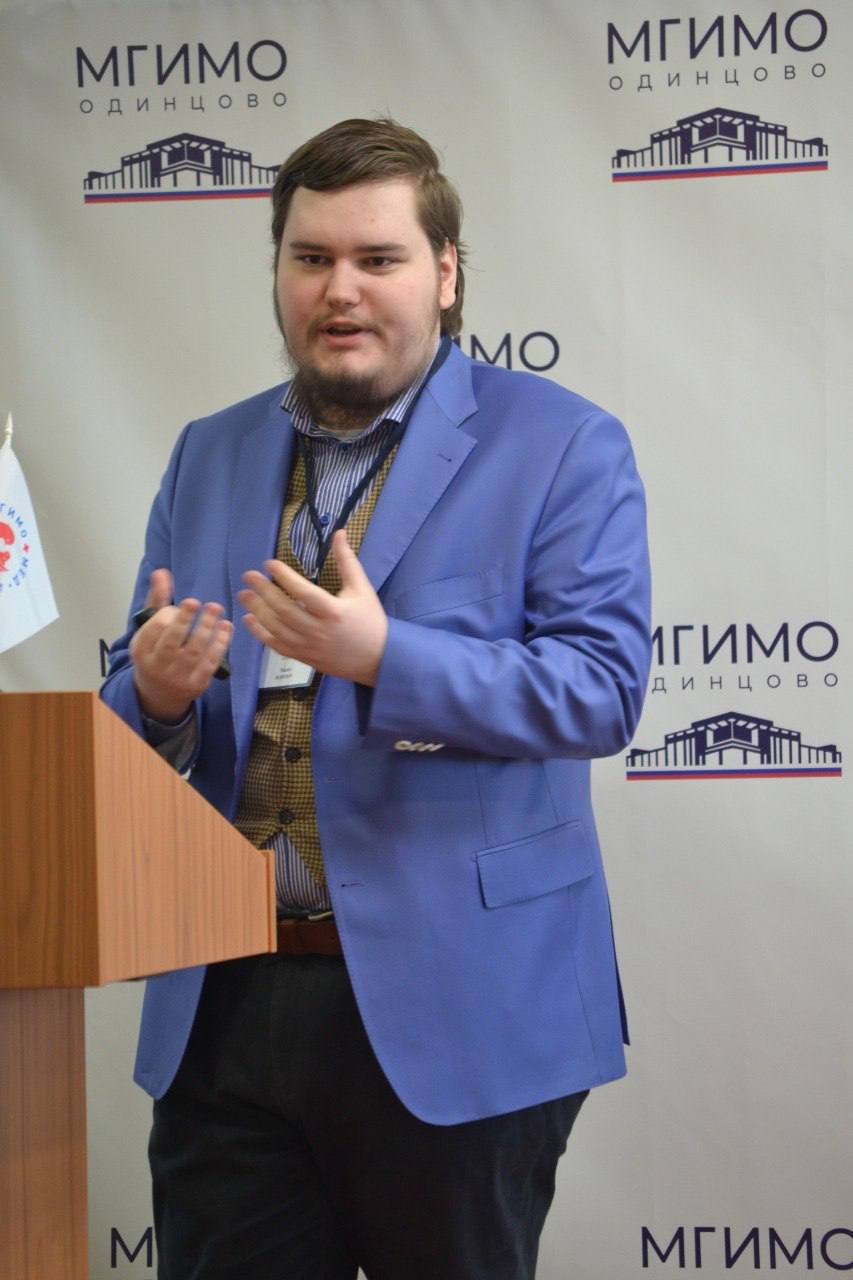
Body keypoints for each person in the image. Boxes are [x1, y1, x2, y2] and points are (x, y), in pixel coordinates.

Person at [102, 117, 651, 1280]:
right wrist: (152, 692)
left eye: (377, 258)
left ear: (445, 274)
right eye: (310, 258)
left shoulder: (563, 444)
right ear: (278, 272)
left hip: (463, 1010)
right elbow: (133, 703)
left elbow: (599, 692)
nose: (339, 289)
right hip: (225, 1008)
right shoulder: (207, 452)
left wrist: (385, 656)